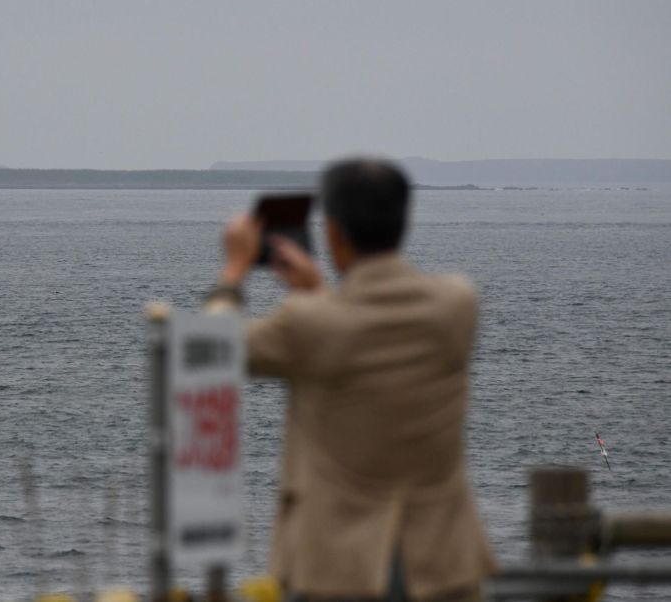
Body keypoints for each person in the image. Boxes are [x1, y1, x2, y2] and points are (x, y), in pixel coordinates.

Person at [206, 158, 496, 601]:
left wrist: (233, 272)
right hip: (439, 566)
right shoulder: (457, 305)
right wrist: (318, 294)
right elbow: (362, 333)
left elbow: (214, 349)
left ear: (334, 233)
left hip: (338, 570)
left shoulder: (309, 324)